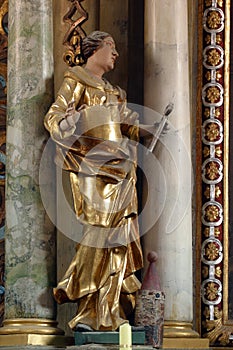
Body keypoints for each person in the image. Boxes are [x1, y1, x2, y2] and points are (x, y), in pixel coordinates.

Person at [44, 31, 160, 332]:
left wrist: (152, 128)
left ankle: (112, 316)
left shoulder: (114, 92)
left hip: (122, 169)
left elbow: (127, 126)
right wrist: (68, 120)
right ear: (93, 48)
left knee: (120, 237)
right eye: (111, 46)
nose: (116, 53)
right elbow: (54, 118)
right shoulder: (77, 80)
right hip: (94, 168)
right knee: (98, 233)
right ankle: (87, 310)